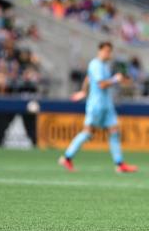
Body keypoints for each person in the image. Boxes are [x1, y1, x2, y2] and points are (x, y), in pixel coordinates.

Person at [58, 42, 138, 173]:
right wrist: (115, 80)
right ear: (99, 51)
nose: (108, 54)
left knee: (114, 131)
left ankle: (119, 164)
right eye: (106, 51)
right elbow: (101, 84)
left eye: (110, 51)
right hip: (96, 105)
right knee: (88, 132)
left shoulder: (104, 66)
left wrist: (83, 91)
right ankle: (67, 157)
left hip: (106, 104)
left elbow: (88, 78)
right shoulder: (95, 64)